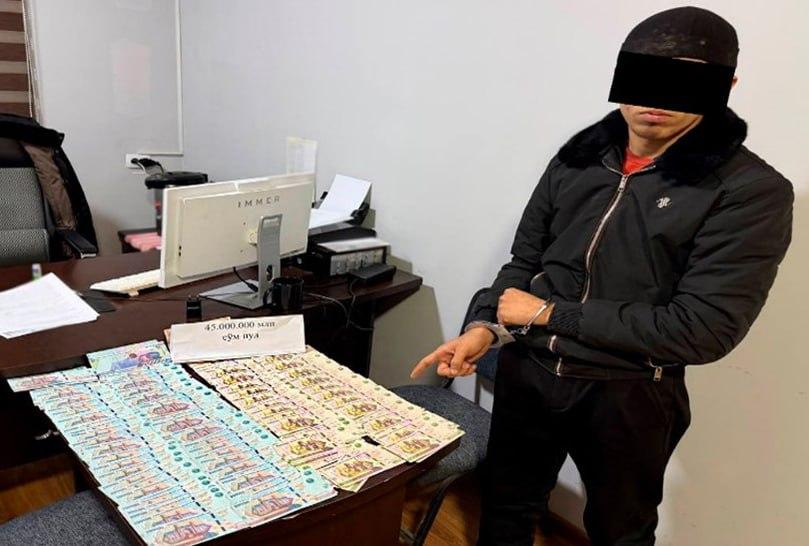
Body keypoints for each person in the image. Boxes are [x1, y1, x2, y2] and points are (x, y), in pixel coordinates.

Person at [410, 7, 793, 546]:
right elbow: (523, 263)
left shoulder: (750, 190)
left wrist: (551, 314)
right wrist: (485, 328)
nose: (657, 96)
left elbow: (703, 330)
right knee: (506, 505)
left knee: (621, 532)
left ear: (725, 87)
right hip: (530, 372)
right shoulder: (579, 157)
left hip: (631, 392)